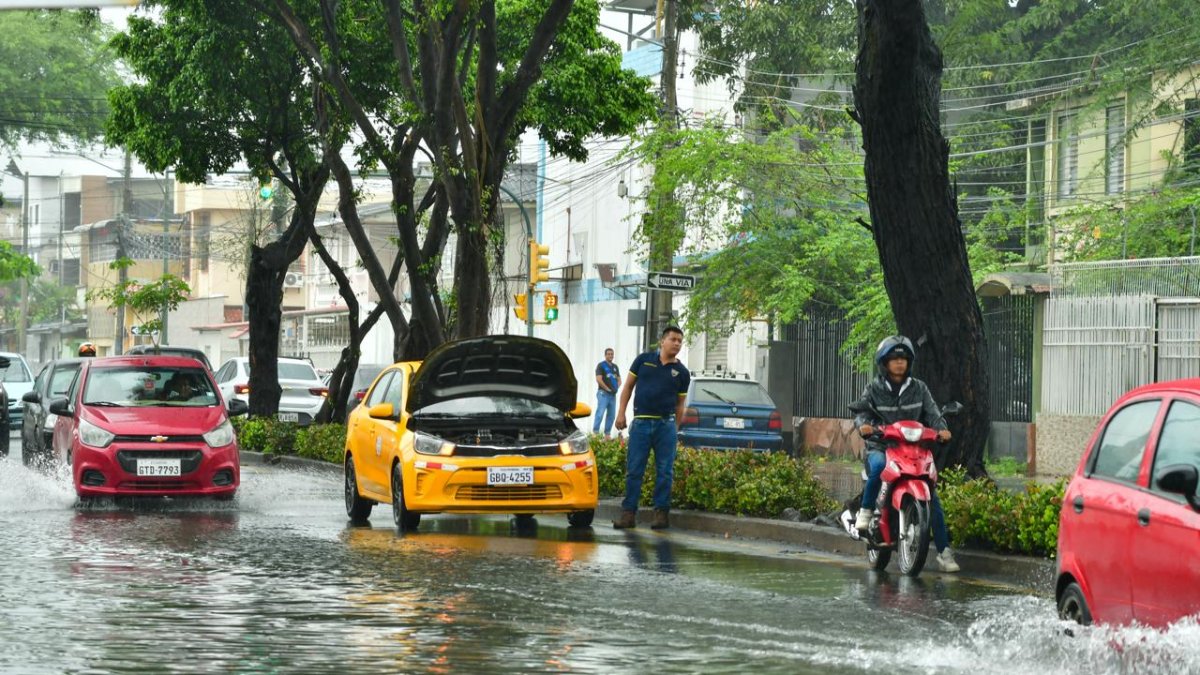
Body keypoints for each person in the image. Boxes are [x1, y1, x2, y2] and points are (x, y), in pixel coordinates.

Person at [851, 335, 960, 573]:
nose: (899, 363)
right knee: (878, 468)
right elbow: (861, 412)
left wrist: (942, 429)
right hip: (882, 446)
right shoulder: (874, 388)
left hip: (913, 449)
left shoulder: (919, 388)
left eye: (903, 358)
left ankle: (943, 551)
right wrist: (864, 426)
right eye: (893, 359)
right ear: (884, 363)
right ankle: (867, 512)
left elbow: (933, 414)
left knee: (933, 497)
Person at [612, 326, 690, 530]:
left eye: (680, 341)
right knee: (634, 470)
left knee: (665, 471)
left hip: (665, 426)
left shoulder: (681, 372)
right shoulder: (643, 360)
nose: (677, 344)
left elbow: (680, 405)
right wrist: (621, 413)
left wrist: (675, 427)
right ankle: (628, 514)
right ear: (662, 341)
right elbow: (628, 387)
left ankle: (661, 514)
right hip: (641, 424)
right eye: (673, 339)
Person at [592, 348, 621, 437]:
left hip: (613, 395)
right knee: (600, 413)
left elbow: (619, 380)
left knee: (611, 415)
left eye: (612, 354)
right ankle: (595, 433)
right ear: (605, 355)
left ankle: (607, 434)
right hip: (603, 394)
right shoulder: (601, 365)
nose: (610, 356)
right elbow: (598, 379)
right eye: (608, 354)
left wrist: (616, 388)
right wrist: (607, 389)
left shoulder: (615, 367)